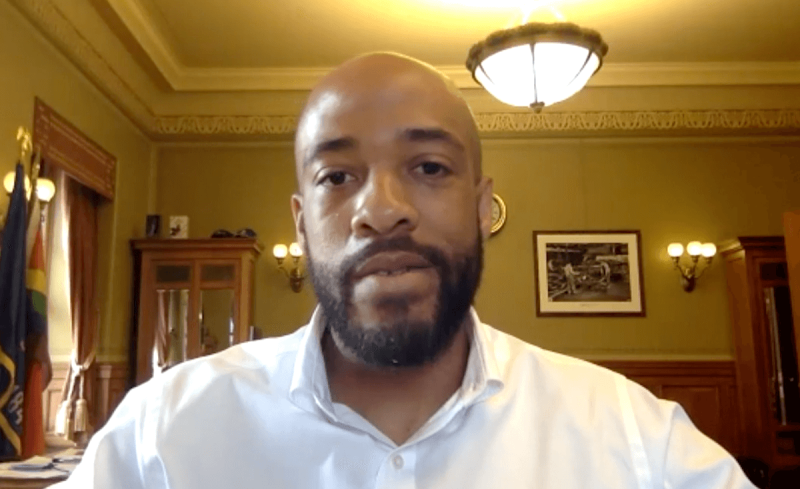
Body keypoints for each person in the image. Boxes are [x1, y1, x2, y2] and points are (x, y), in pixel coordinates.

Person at [53, 53, 754, 488]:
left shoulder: (635, 441)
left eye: (428, 167)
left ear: (484, 207)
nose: (380, 211)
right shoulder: (164, 434)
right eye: (338, 175)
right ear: (300, 220)